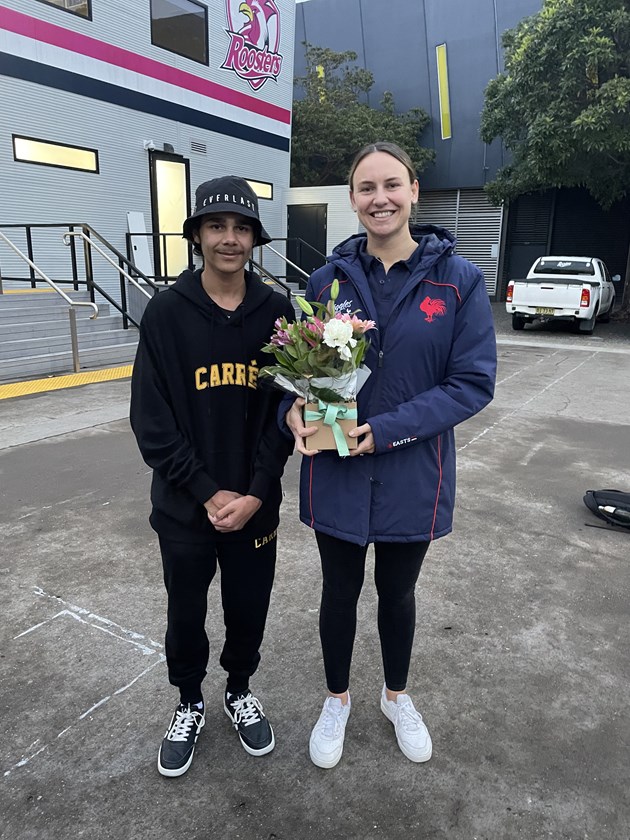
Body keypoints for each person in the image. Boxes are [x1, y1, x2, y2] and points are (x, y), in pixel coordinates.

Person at [283, 142, 497, 768]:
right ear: (352, 199)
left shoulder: (456, 281)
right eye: (366, 188)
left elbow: (471, 382)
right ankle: (338, 699)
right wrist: (291, 410)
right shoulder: (326, 282)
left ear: (414, 192)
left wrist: (388, 428)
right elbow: (303, 372)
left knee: (397, 593)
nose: (380, 198)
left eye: (391, 185)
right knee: (338, 593)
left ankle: (395, 695)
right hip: (337, 470)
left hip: (412, 473)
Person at [130, 175, 294, 777]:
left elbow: (286, 413)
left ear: (255, 238)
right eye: (217, 226)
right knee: (186, 612)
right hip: (184, 508)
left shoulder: (278, 312)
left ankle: (240, 688)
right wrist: (205, 489)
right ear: (197, 234)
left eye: (242, 227)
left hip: (255, 505)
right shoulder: (167, 314)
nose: (230, 239)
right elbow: (151, 421)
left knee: (249, 607)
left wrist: (255, 491)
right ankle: (190, 700)